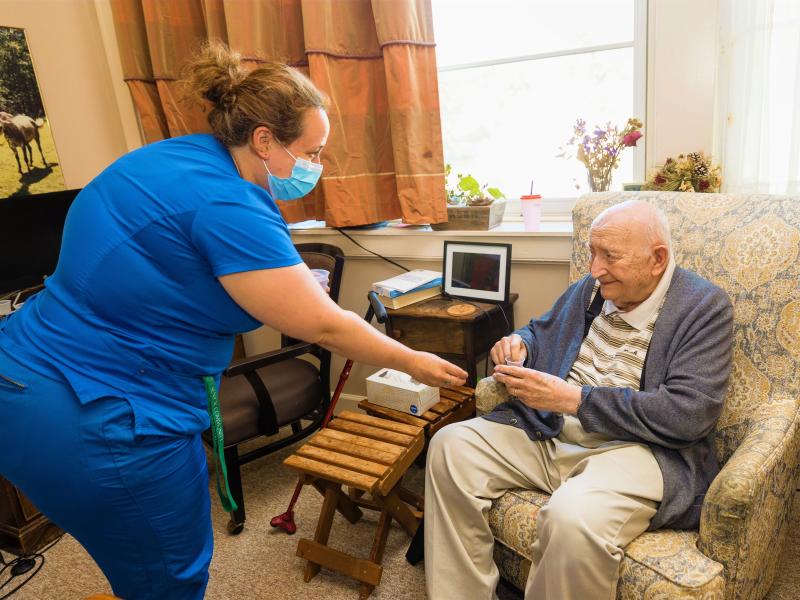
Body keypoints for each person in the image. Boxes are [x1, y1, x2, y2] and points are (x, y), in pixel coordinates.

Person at [0, 42, 466, 600]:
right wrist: (413, 360)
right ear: (264, 140)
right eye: (312, 152)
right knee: (169, 575)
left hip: (20, 376)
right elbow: (325, 326)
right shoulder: (227, 203)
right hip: (98, 413)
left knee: (127, 554)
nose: (316, 167)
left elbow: (166, 268)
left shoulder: (164, 158)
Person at [424, 200, 733, 600]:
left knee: (572, 518)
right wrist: (520, 344)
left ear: (657, 260)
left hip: (638, 451)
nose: (594, 269)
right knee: (450, 446)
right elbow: (541, 330)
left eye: (610, 256)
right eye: (592, 252)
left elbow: (688, 414)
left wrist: (574, 400)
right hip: (551, 431)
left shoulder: (704, 307)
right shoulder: (591, 290)